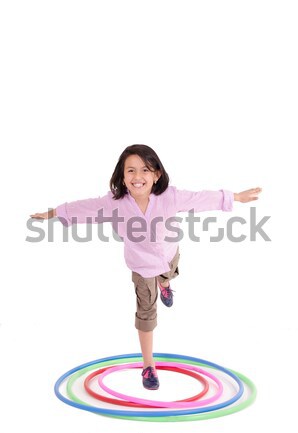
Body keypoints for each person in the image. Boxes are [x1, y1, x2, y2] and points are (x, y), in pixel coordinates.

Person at [31, 144, 262, 390]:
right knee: (146, 314)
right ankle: (148, 366)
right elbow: (85, 207)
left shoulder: (169, 197)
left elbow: (201, 198)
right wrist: (54, 212)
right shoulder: (114, 203)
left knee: (169, 274)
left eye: (145, 170)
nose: (137, 177)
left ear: (156, 175)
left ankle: (165, 284)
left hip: (169, 255)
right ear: (122, 176)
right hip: (141, 268)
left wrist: (235, 197)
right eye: (130, 171)